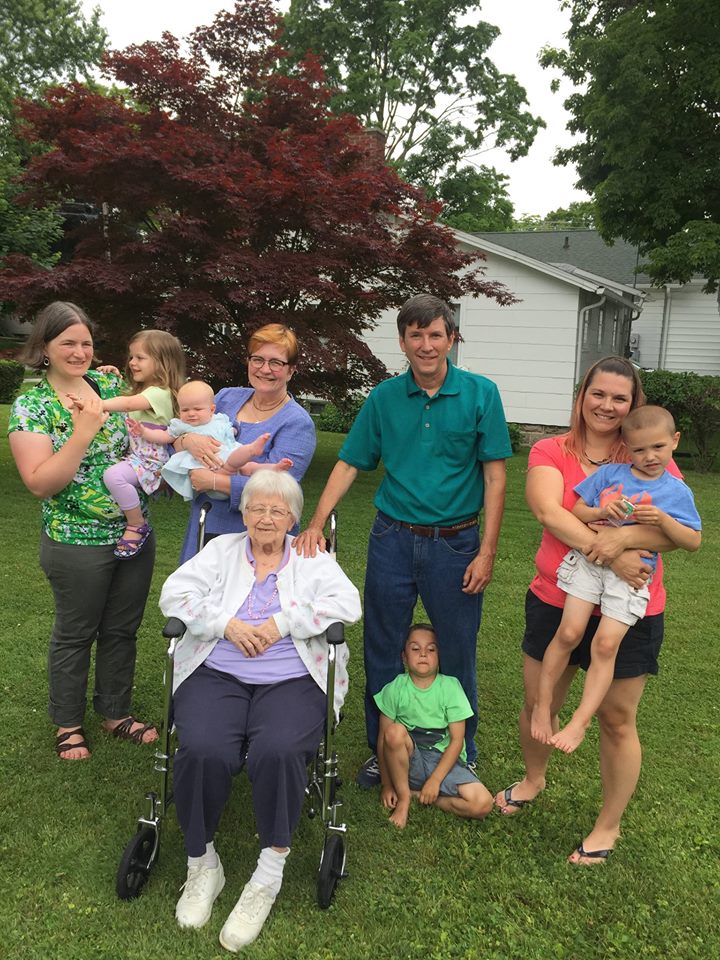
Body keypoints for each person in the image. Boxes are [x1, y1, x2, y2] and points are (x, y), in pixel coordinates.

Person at [295, 293, 512, 785]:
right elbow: (350, 462)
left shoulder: (482, 394)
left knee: (456, 650)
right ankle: (383, 747)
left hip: (456, 544)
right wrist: (315, 521)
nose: (427, 345)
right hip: (391, 538)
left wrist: (487, 550)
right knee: (384, 644)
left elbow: (495, 477)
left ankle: (460, 752)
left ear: (451, 340)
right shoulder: (385, 397)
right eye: (417, 335)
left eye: (436, 334)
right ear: (403, 341)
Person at [494, 356, 687, 865]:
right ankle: (533, 779)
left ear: (633, 405)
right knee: (540, 700)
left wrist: (624, 544)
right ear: (582, 395)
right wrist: (613, 552)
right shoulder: (550, 449)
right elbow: (548, 510)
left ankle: (608, 825)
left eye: (619, 398)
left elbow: (674, 526)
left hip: (631, 608)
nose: (607, 405)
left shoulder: (649, 449)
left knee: (618, 718)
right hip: (559, 596)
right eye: (598, 394)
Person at [158, 471, 361, 951]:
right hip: (217, 670)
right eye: (257, 508)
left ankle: (267, 876)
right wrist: (224, 624)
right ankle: (203, 863)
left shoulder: (312, 557)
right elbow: (174, 595)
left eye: (278, 510)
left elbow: (346, 604)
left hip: (292, 677)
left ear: (292, 517)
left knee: (279, 748)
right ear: (244, 513)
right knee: (204, 747)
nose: (266, 518)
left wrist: (282, 622)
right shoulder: (221, 550)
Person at [8, 301, 158, 760]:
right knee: (76, 633)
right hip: (75, 541)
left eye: (86, 343)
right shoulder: (32, 405)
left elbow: (160, 406)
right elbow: (39, 483)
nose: (79, 352)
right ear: (45, 347)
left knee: (122, 630)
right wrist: (82, 433)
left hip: (132, 536)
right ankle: (68, 724)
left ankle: (116, 713)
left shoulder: (109, 383)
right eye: (67, 343)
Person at [531, 405, 702, 754]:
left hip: (631, 578)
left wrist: (662, 521)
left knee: (605, 645)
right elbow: (577, 510)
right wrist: (600, 511)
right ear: (626, 446)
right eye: (639, 449)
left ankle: (579, 722)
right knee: (567, 633)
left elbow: (692, 541)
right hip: (590, 563)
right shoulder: (612, 475)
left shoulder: (676, 491)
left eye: (657, 447)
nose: (649, 456)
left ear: (674, 441)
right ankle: (542, 707)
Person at [174, 323, 316, 563]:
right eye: (257, 359)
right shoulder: (225, 397)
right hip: (206, 522)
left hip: (257, 537)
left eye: (276, 363)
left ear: (291, 370)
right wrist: (188, 440)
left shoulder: (297, 423)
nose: (265, 369)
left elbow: (279, 489)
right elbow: (174, 441)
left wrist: (215, 481)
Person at [72, 329, 186, 559]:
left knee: (114, 476)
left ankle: (136, 524)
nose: (132, 362)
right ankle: (136, 521)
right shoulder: (147, 391)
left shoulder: (160, 393)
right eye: (131, 357)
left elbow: (127, 404)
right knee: (115, 476)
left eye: (140, 358)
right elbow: (128, 397)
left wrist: (97, 404)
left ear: (162, 362)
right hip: (139, 457)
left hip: (152, 460)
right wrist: (112, 375)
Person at [376, 623, 494, 829]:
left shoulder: (450, 687)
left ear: (439, 656)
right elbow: (383, 739)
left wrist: (435, 780)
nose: (423, 654)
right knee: (393, 732)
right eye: (415, 648)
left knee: (483, 803)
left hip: (445, 762)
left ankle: (421, 796)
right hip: (409, 760)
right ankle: (404, 800)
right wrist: (386, 785)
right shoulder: (395, 688)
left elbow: (457, 741)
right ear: (404, 656)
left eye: (431, 649)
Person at [128, 380, 293, 501]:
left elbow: (231, 430)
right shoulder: (180, 425)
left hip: (224, 464)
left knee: (249, 466)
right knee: (237, 462)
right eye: (185, 410)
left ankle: (273, 468)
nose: (191, 414)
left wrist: (230, 431)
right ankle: (251, 450)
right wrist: (144, 431)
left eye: (197, 409)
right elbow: (164, 437)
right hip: (213, 468)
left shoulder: (219, 419)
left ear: (211, 409)